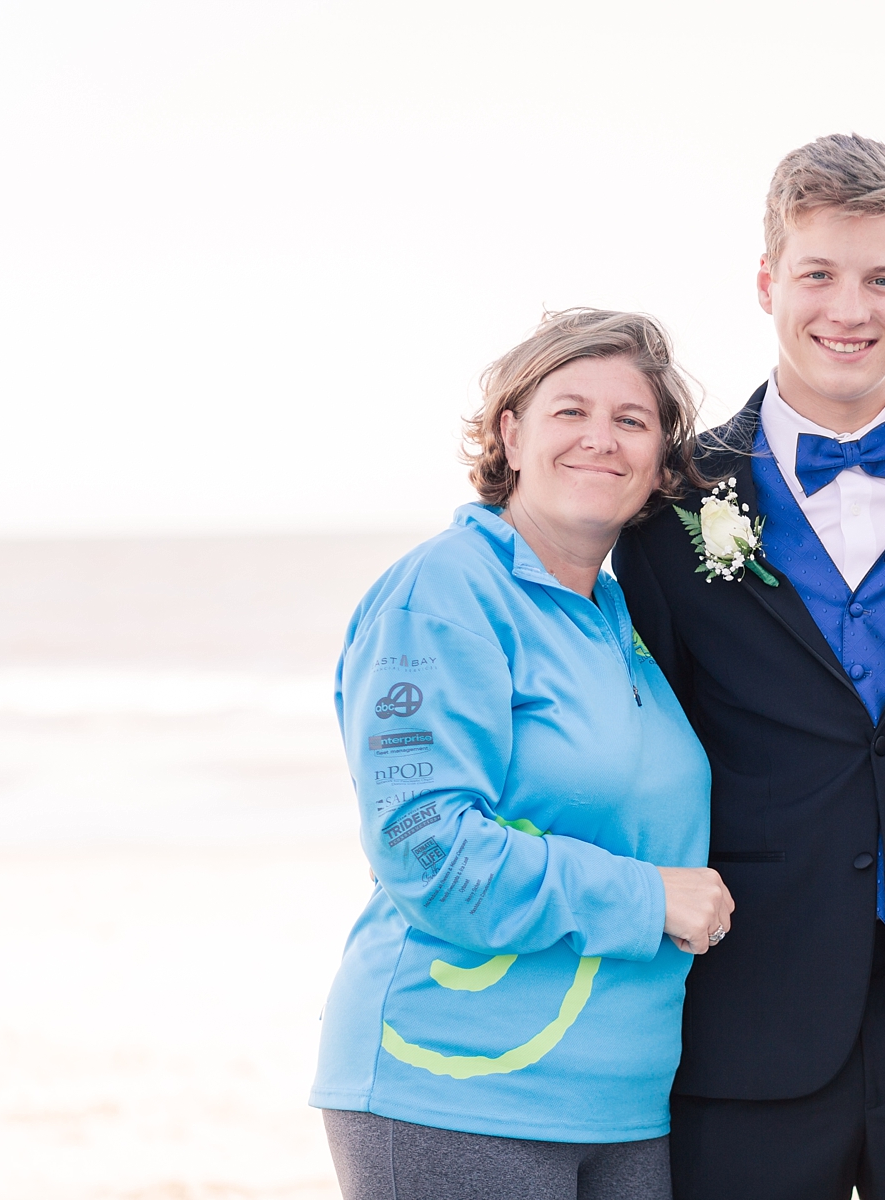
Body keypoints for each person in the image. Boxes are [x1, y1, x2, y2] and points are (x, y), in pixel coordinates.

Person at [614, 134, 885, 1199]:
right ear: (769, 283)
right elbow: (640, 746)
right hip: (750, 1012)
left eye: (881, 279)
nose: (848, 309)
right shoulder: (673, 502)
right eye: (818, 274)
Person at [309, 309, 735, 1200]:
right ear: (511, 431)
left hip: (626, 1108)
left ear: (659, 460)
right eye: (568, 410)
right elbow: (428, 849)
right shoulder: (447, 592)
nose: (600, 440)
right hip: (452, 1090)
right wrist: (647, 895)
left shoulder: (624, 620)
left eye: (632, 420)